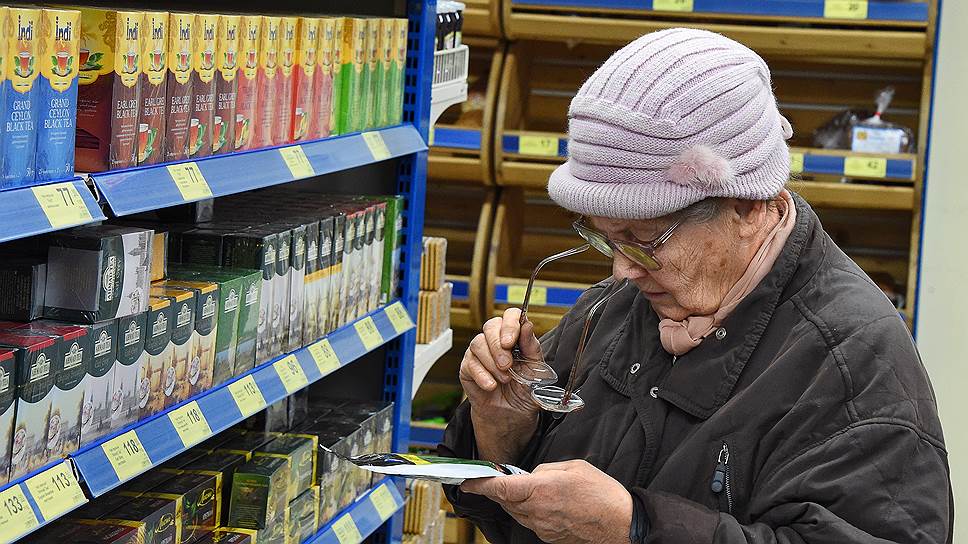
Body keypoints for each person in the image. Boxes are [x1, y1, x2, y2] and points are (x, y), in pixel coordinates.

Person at [440, 28, 952, 544]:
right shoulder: (625, 305)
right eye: (605, 237)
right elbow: (529, 520)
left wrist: (636, 529)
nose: (621, 271)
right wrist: (504, 432)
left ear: (748, 207)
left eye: (643, 239)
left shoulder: (854, 365)